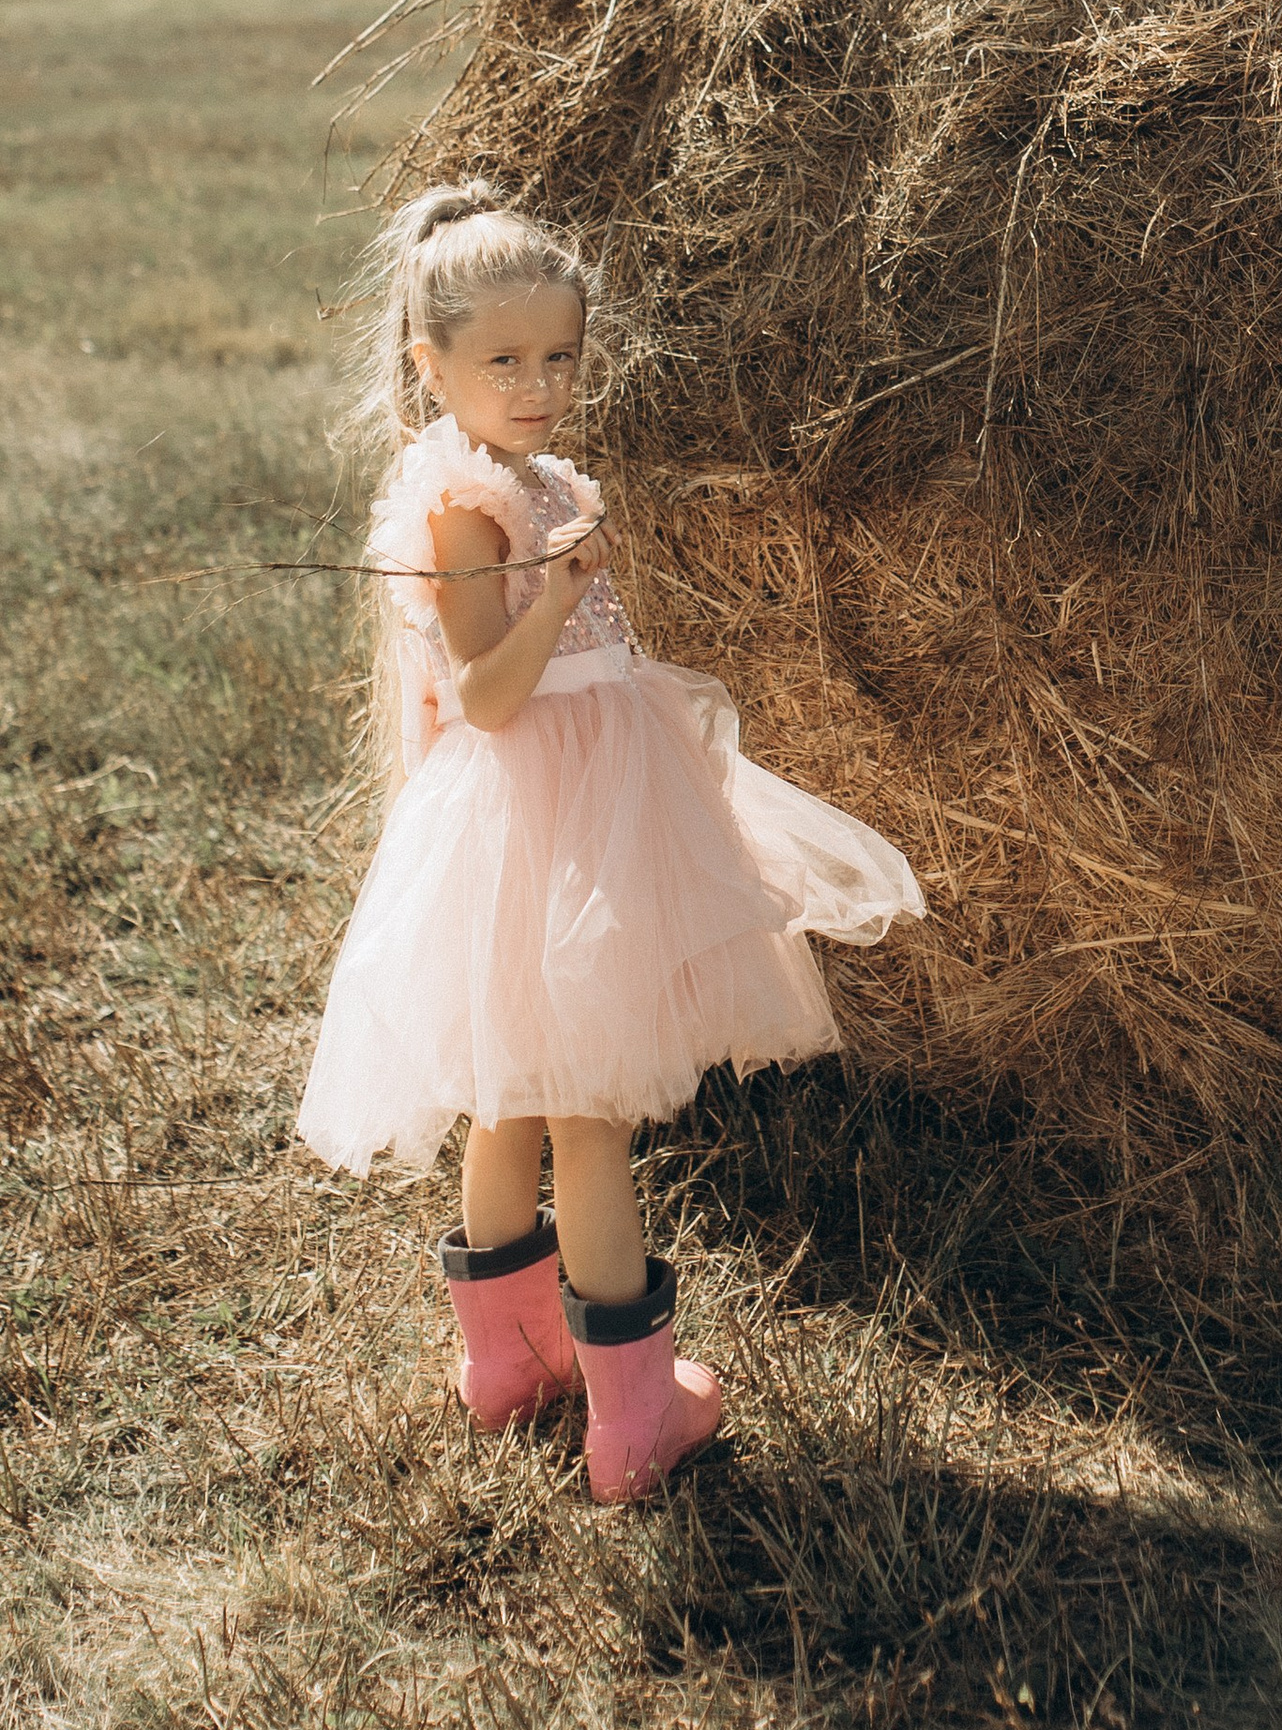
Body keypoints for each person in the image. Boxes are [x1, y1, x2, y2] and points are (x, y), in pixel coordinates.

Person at [297, 185, 921, 1502]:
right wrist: (567, 587)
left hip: (583, 805)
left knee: (517, 1092)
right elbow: (486, 694)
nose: (536, 387)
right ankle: (633, 1418)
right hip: (540, 821)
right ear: (432, 365)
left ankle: (511, 1362)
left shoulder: (546, 480)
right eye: (503, 361)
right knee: (579, 1115)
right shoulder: (463, 501)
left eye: (559, 357)